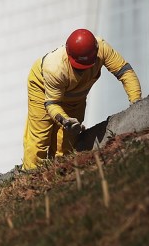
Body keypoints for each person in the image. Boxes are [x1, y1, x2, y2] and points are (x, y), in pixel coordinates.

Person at [22, 28, 142, 170]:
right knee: (39, 139)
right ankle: (31, 179)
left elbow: (125, 72)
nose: (82, 70)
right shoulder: (54, 68)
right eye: (78, 68)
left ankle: (56, 176)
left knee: (66, 143)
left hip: (75, 98)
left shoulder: (101, 48)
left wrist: (137, 103)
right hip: (42, 89)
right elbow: (52, 104)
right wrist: (65, 120)